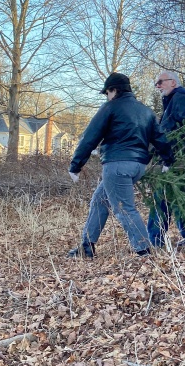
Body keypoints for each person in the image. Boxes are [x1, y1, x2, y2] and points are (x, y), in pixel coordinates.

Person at [67, 72, 174, 258]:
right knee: (99, 200)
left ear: (114, 90)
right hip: (138, 166)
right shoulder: (146, 111)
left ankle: (144, 250)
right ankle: (87, 246)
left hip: (117, 165)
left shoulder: (110, 107)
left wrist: (75, 165)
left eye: (107, 93)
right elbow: (160, 138)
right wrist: (168, 159)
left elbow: (90, 137)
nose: (106, 96)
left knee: (124, 208)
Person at [147, 71, 185, 248]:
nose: (157, 86)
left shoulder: (179, 99)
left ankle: (156, 240)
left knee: (161, 198)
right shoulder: (172, 102)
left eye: (160, 82)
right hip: (174, 160)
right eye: (156, 83)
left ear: (173, 82)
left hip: (176, 160)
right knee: (179, 199)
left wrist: (183, 147)